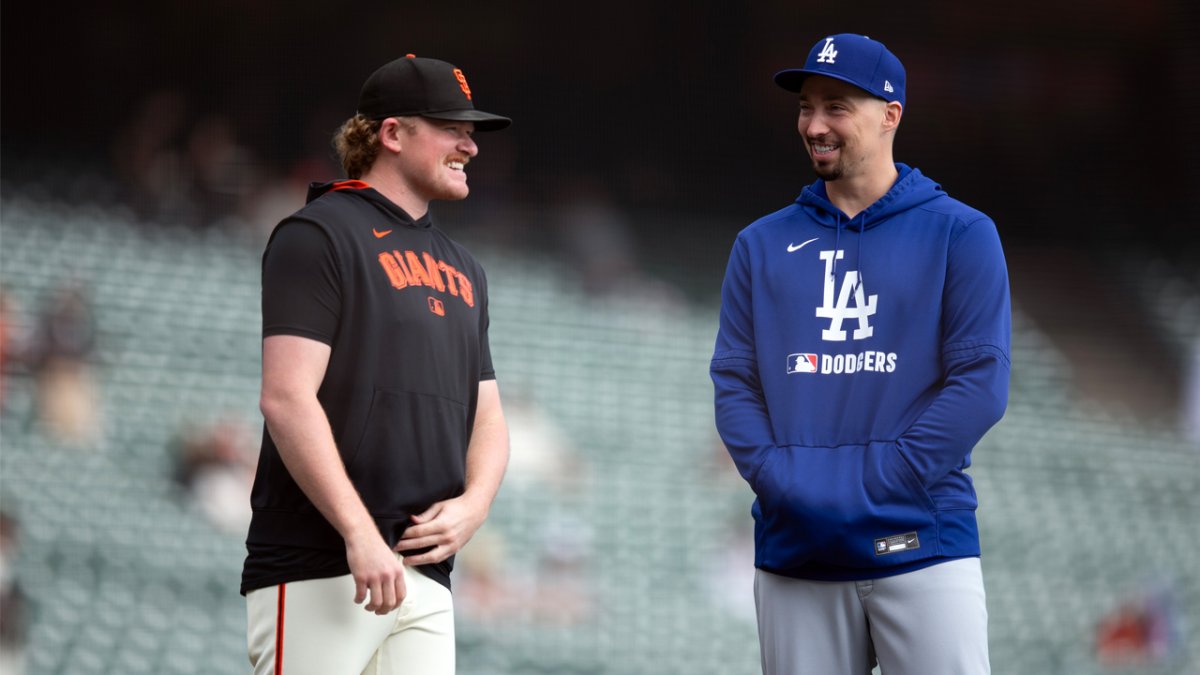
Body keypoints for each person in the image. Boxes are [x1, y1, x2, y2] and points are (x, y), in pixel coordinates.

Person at [710, 34, 1010, 675]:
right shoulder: (759, 245)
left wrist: (880, 481)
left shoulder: (962, 233)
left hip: (923, 543)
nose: (814, 125)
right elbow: (734, 382)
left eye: (836, 107)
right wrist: (783, 480)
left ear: (890, 114)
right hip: (796, 549)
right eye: (806, 107)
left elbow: (980, 384)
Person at [240, 54, 512, 675]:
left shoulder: (466, 268)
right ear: (392, 133)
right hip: (324, 564)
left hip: (426, 573)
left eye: (471, 132)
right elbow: (285, 396)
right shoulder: (318, 234)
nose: (470, 146)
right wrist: (359, 533)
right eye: (452, 128)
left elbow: (489, 416)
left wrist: (473, 507)